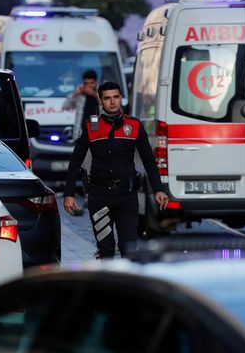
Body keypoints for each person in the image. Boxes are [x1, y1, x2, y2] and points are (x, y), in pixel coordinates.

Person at [63, 82, 169, 258]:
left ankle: (126, 283)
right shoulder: (91, 127)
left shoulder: (134, 126)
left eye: (116, 97)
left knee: (129, 249)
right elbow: (75, 161)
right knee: (105, 249)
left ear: (121, 98)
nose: (112, 102)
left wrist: (159, 189)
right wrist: (69, 193)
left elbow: (149, 159)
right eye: (107, 98)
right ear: (100, 101)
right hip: (99, 196)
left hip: (126, 196)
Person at [62, 69, 99, 142]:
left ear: (96, 82)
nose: (89, 86)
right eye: (86, 83)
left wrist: (94, 94)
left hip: (96, 127)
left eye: (91, 83)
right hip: (81, 131)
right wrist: (74, 94)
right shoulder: (80, 92)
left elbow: (107, 107)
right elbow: (65, 106)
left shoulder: (101, 91)